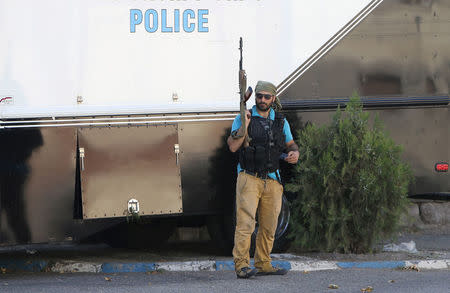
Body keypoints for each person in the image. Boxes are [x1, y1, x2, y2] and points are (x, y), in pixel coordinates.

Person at [227, 80, 299, 279]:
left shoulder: (280, 121)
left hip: (273, 180)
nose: (262, 100)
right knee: (245, 225)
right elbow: (233, 146)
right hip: (249, 177)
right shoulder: (244, 117)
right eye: (259, 96)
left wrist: (294, 153)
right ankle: (241, 265)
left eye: (267, 96)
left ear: (273, 98)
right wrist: (245, 124)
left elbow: (291, 144)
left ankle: (263, 263)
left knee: (269, 225)